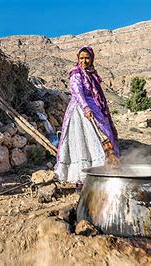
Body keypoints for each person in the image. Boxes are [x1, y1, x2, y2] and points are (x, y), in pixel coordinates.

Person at [54, 45, 119, 184]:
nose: (84, 61)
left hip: (95, 108)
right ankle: (82, 179)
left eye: (87, 58)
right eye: (82, 58)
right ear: (78, 59)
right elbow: (77, 92)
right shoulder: (76, 73)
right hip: (80, 110)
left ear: (92, 59)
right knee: (83, 142)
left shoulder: (91, 74)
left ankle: (105, 173)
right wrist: (85, 108)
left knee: (105, 136)